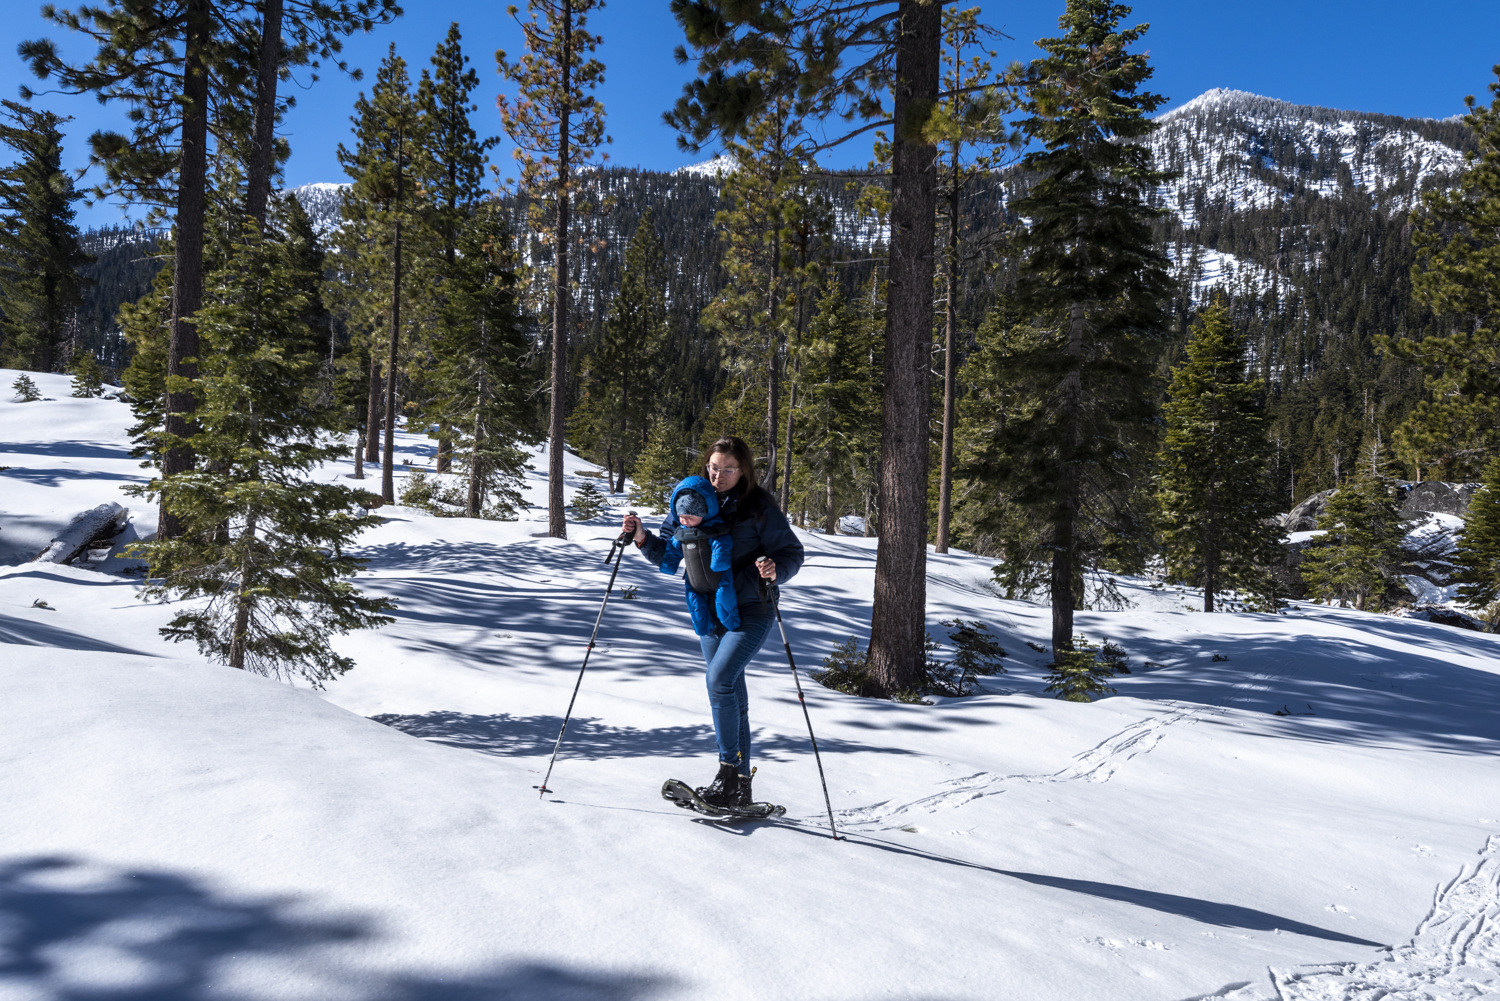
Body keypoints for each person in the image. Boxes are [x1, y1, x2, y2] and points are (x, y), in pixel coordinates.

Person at [623, 436, 805, 810]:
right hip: (708, 613)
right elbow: (668, 552)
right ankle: (740, 786)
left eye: (728, 470)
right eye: (713, 467)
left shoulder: (758, 506)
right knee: (731, 694)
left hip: (751, 609)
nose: (718, 476)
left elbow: (791, 551)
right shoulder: (692, 497)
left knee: (719, 680)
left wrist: (776, 569)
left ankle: (727, 775)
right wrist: (640, 536)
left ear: (744, 470)